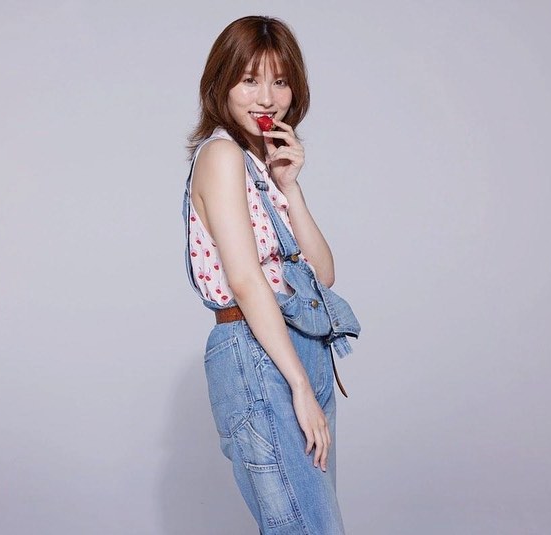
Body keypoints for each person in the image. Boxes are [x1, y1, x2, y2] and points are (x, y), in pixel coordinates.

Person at [182, 15, 360, 534]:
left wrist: (291, 186)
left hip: (296, 347)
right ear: (221, 83)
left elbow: (322, 273)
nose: (267, 98)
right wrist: (299, 384)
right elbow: (244, 279)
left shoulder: (260, 166)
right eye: (249, 80)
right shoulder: (221, 155)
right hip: (258, 353)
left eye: (280, 81)